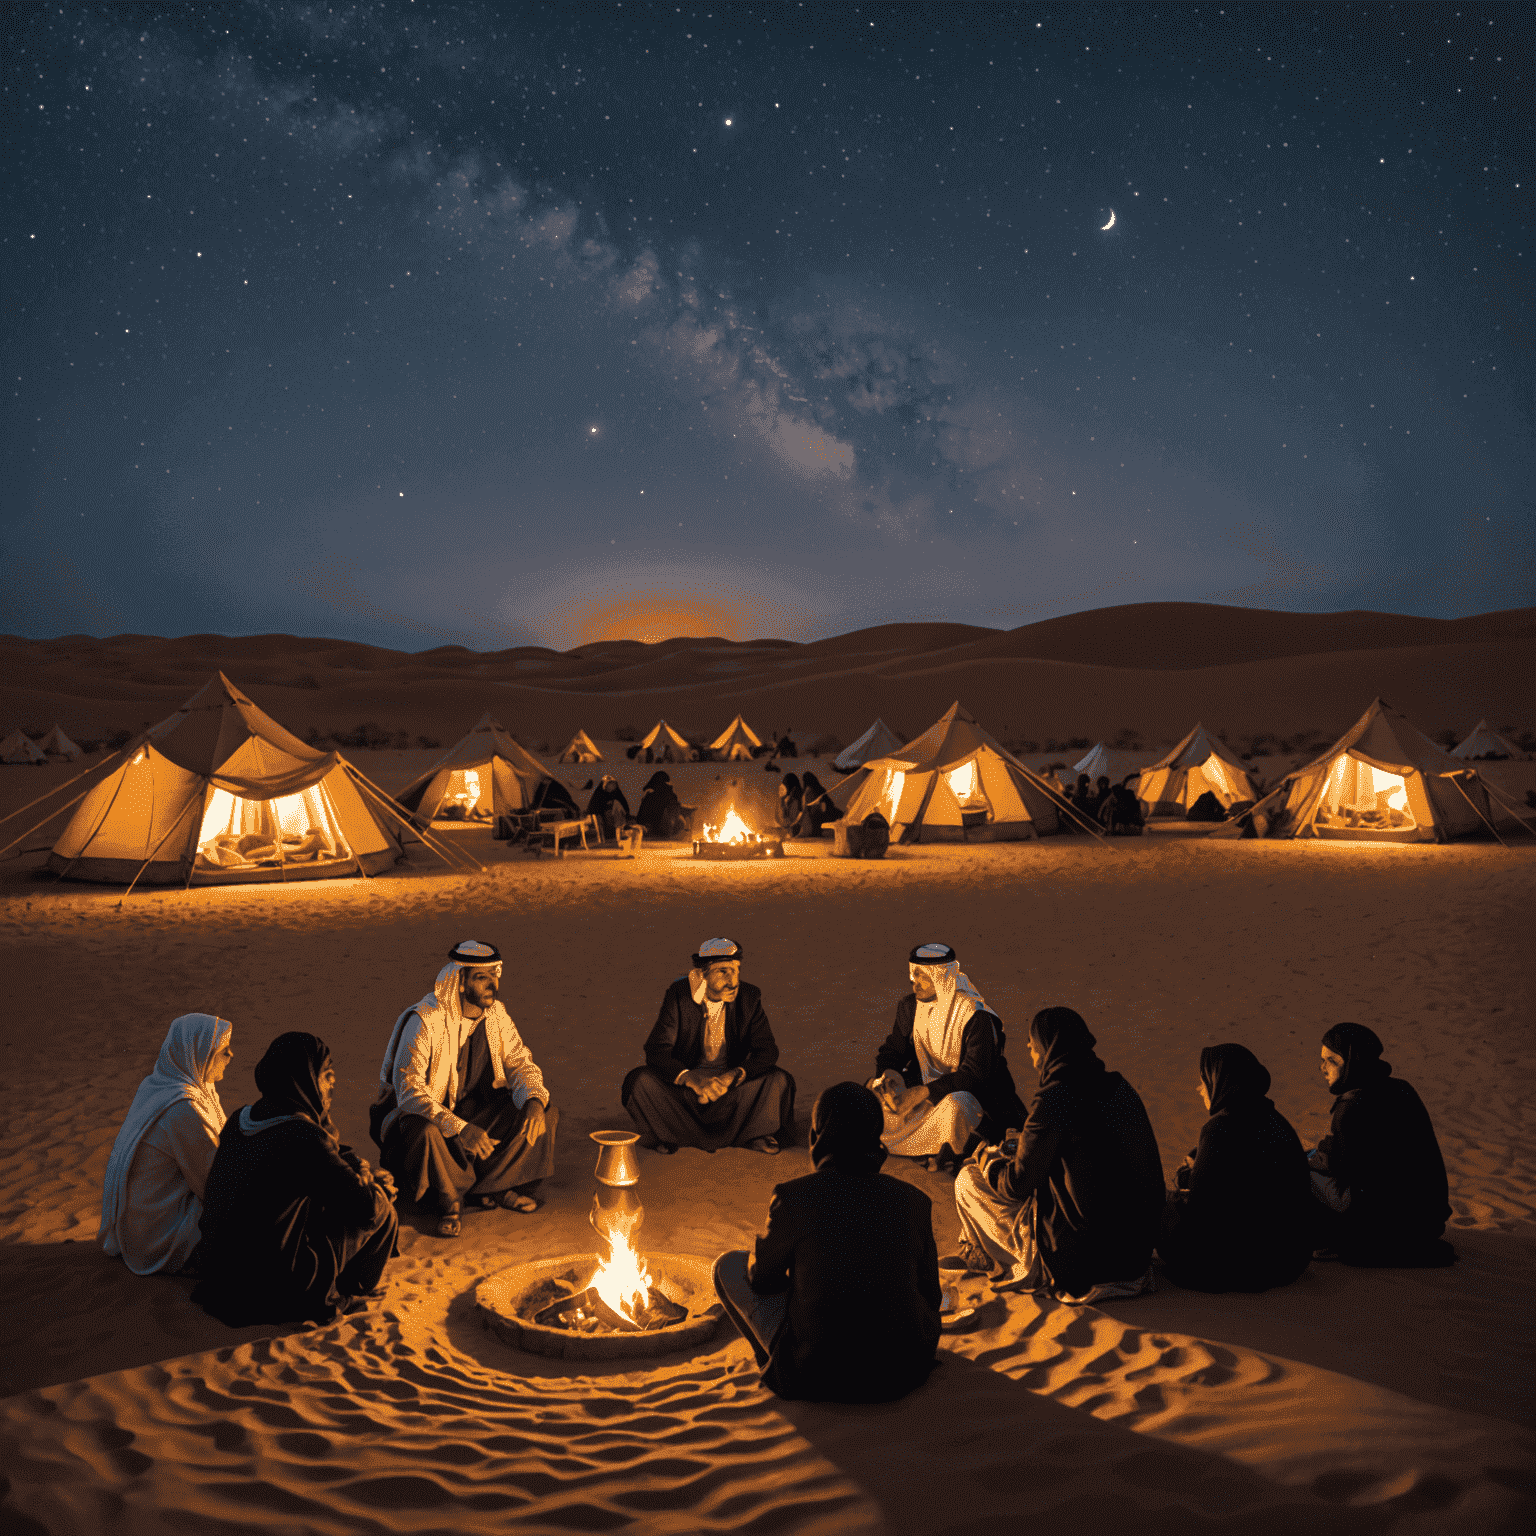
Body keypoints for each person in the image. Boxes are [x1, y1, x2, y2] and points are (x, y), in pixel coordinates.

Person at [713, 1082, 941, 1402]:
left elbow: (763, 1281)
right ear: (876, 1136)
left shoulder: (793, 1197)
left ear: (816, 1136)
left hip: (815, 1373)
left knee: (728, 1265)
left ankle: (776, 1365)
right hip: (904, 1371)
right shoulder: (914, 1200)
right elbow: (931, 1294)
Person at [953, 1007, 1164, 1302]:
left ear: (1047, 1046)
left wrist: (988, 1159)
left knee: (967, 1179)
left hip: (1084, 1262)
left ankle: (1003, 1259)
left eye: (1032, 1041)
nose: (1028, 1047)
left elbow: (1017, 1185)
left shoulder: (1054, 1100)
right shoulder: (1120, 1088)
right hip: (1134, 1254)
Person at [192, 1032, 398, 1326]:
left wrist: (354, 1169)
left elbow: (332, 1156)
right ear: (307, 1080)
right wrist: (378, 1188)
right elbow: (364, 1207)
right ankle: (349, 1291)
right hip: (274, 1286)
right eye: (327, 1076)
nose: (333, 1085)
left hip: (219, 1274)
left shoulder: (241, 1120)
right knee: (383, 1211)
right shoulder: (302, 1137)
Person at [374, 940, 559, 1238]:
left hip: (474, 1112)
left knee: (541, 1112)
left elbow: (520, 1064)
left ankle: (495, 1187)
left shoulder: (497, 1015)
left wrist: (534, 1100)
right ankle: (450, 1202)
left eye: (494, 975)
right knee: (426, 1133)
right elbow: (408, 1090)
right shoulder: (426, 1019)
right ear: (460, 981)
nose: (492, 984)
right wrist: (460, 1128)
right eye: (481, 977)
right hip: (421, 1119)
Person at [1157, 1044, 1313, 1292]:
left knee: (1160, 1207)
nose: (1199, 1089)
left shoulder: (1220, 1128)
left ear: (1220, 1082)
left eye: (1203, 1081)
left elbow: (1203, 1210)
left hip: (1244, 1267)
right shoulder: (1275, 1119)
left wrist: (1186, 1180)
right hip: (1290, 1260)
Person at [622, 937, 796, 1154]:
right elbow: (657, 1050)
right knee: (639, 1081)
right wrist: (690, 1079)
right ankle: (670, 1135)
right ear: (702, 975)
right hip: (688, 1091)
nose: (733, 981)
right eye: (723, 971)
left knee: (779, 1080)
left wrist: (732, 1077)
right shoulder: (679, 996)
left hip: (732, 1090)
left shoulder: (749, 997)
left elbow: (767, 1051)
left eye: (736, 970)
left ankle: (754, 1134)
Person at [869, 943, 1026, 1173]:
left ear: (940, 977)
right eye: (912, 973)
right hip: (925, 1094)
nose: (913, 980)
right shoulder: (909, 1007)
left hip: (975, 1098)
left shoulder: (976, 1016)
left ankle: (957, 1148)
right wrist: (890, 1076)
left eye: (921, 975)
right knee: (873, 1098)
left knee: (956, 1107)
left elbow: (974, 1076)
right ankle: (934, 1147)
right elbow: (893, 1051)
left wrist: (923, 1093)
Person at [1309, 1023, 1454, 1266]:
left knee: (1299, 1171)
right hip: (1427, 1218)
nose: (1323, 1068)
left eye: (1332, 1061)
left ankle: (1331, 1240)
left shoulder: (1353, 1105)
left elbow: (1344, 1169)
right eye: (1323, 1060)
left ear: (1353, 1062)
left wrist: (1318, 1157)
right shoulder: (1401, 1089)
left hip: (1390, 1223)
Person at [101, 1014, 234, 1276]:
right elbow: (212, 1184)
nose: (231, 1055)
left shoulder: (159, 1087)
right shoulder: (184, 1108)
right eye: (223, 1050)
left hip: (141, 1226)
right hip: (158, 1234)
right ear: (198, 1054)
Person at [636, 770, 687, 839]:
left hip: (651, 828)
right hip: (666, 829)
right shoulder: (672, 795)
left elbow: (640, 818)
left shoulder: (650, 796)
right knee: (681, 819)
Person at [585, 774, 632, 842]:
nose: (611, 787)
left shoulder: (616, 792)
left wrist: (626, 813)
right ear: (605, 786)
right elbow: (594, 807)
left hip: (614, 815)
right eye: (609, 785)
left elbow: (623, 803)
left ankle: (620, 831)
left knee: (617, 807)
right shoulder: (599, 793)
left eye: (613, 785)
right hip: (602, 814)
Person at [799, 770, 834, 834]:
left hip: (815, 820)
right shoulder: (819, 789)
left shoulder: (808, 791)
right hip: (822, 818)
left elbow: (807, 807)